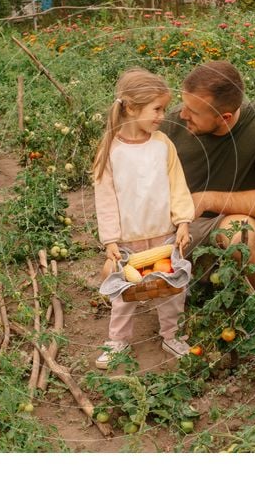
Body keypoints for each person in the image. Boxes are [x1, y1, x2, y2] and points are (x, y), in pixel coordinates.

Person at [93, 68, 195, 369]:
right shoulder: (110, 150)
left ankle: (171, 334)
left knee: (170, 289)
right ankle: (118, 341)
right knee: (126, 293)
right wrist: (110, 240)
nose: (162, 116)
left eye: (163, 109)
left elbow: (178, 184)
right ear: (131, 108)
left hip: (162, 234)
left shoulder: (162, 144)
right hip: (129, 239)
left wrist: (183, 222)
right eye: (156, 109)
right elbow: (106, 198)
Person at [163, 61, 255, 284]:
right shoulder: (169, 126)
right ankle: (196, 276)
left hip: (226, 220)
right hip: (179, 224)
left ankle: (246, 307)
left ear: (225, 117)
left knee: (243, 233)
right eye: (183, 104)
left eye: (193, 112)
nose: (183, 114)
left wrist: (207, 199)